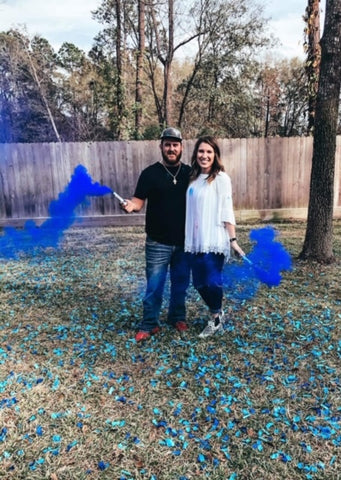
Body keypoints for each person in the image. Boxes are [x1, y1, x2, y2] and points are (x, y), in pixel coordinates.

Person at [122, 127, 191, 342]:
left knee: (181, 284)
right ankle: (149, 323)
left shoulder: (190, 173)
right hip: (157, 242)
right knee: (154, 286)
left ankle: (176, 317)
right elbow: (138, 201)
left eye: (175, 145)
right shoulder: (149, 174)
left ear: (181, 147)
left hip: (184, 242)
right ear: (161, 146)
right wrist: (130, 205)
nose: (171, 148)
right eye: (167, 144)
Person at [185, 136, 245, 338]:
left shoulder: (221, 178)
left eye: (209, 152)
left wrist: (233, 240)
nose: (204, 155)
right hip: (195, 241)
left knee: (212, 282)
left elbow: (227, 210)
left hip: (214, 239)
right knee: (198, 283)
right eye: (201, 151)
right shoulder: (192, 178)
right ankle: (218, 311)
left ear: (215, 155)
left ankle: (215, 318)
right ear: (196, 154)